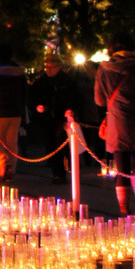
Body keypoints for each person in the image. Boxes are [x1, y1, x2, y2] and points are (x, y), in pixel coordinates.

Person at [94, 31, 135, 217]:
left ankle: (124, 209)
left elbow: (99, 100)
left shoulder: (104, 69)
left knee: (122, 168)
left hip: (117, 122)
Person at [28, 50, 80, 183]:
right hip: (47, 118)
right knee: (51, 145)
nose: (48, 69)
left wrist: (71, 110)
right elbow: (32, 97)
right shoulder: (41, 82)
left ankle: (63, 171)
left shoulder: (67, 81)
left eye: (51, 67)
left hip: (62, 118)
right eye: (46, 67)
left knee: (62, 144)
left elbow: (75, 97)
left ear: (58, 67)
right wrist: (38, 106)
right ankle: (57, 172)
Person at [0, 44, 26, 180]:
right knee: (12, 141)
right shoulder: (18, 71)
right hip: (15, 111)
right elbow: (24, 92)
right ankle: (11, 168)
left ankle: (3, 165)